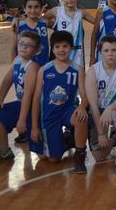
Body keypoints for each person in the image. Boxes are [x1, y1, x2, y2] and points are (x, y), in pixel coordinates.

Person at [30, 30, 90, 173]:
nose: (61, 50)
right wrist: (34, 126)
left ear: (71, 47)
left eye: (65, 46)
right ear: (52, 49)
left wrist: (82, 107)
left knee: (81, 117)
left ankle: (80, 156)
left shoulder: (78, 69)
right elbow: (36, 98)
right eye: (57, 46)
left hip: (67, 111)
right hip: (49, 115)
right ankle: (67, 139)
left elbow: (85, 95)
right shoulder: (44, 70)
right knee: (53, 159)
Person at [0, 31, 40, 162]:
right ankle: (3, 150)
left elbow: (28, 95)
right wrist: (0, 99)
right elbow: (7, 80)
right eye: (22, 44)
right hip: (21, 105)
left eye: (29, 45)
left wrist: (21, 120)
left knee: (44, 156)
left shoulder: (33, 67)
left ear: (37, 50)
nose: (24, 47)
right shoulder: (17, 61)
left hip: (34, 110)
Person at [85, 35, 116, 172]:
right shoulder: (93, 71)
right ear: (100, 53)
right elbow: (93, 105)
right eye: (106, 50)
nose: (110, 54)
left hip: (115, 108)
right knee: (99, 156)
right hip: (98, 111)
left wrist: (109, 108)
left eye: (113, 50)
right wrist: (100, 133)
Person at [43, 0, 96, 69]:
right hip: (61, 51)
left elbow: (97, 22)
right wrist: (53, 25)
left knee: (77, 74)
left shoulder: (81, 12)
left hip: (77, 51)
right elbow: (43, 19)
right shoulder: (56, 11)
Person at [11, 0, 50, 67]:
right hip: (25, 66)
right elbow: (14, 48)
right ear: (24, 8)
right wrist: (13, 68)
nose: (33, 10)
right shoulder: (19, 25)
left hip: (43, 65)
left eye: (36, 7)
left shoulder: (45, 22)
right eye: (29, 7)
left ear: (41, 8)